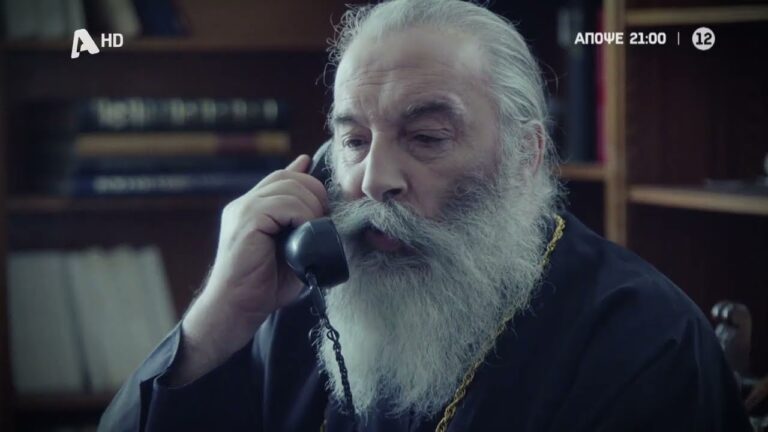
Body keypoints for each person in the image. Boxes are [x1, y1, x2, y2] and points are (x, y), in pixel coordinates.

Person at [99, 1, 751, 430]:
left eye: (427, 137)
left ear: (525, 156)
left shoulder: (643, 341)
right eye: (354, 140)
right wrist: (216, 321)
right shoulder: (298, 302)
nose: (373, 179)